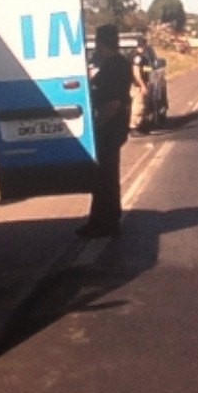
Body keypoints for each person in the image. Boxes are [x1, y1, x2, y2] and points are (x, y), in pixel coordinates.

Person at [77, 24, 131, 239]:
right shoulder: (115, 64)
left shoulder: (114, 67)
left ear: (101, 43)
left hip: (110, 129)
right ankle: (100, 220)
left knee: (105, 178)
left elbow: (113, 102)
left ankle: (106, 222)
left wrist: (97, 126)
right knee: (104, 177)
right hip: (113, 128)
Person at [129, 35, 151, 136]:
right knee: (138, 106)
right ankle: (134, 127)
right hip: (137, 85)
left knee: (141, 106)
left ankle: (139, 126)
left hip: (137, 84)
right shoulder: (137, 57)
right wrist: (142, 85)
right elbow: (136, 72)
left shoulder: (133, 55)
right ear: (143, 45)